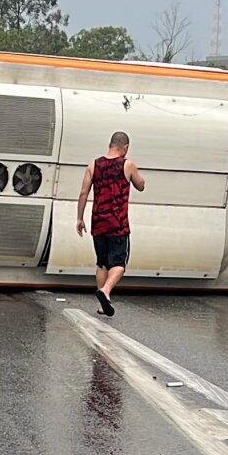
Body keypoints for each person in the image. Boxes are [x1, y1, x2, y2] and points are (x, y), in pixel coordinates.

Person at [76, 131, 146, 317]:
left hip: (98, 221)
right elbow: (141, 185)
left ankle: (102, 304)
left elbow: (83, 193)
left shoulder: (94, 164)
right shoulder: (127, 164)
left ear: (110, 144)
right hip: (118, 223)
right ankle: (106, 291)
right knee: (119, 264)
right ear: (126, 147)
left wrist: (79, 218)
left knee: (102, 264)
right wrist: (136, 175)